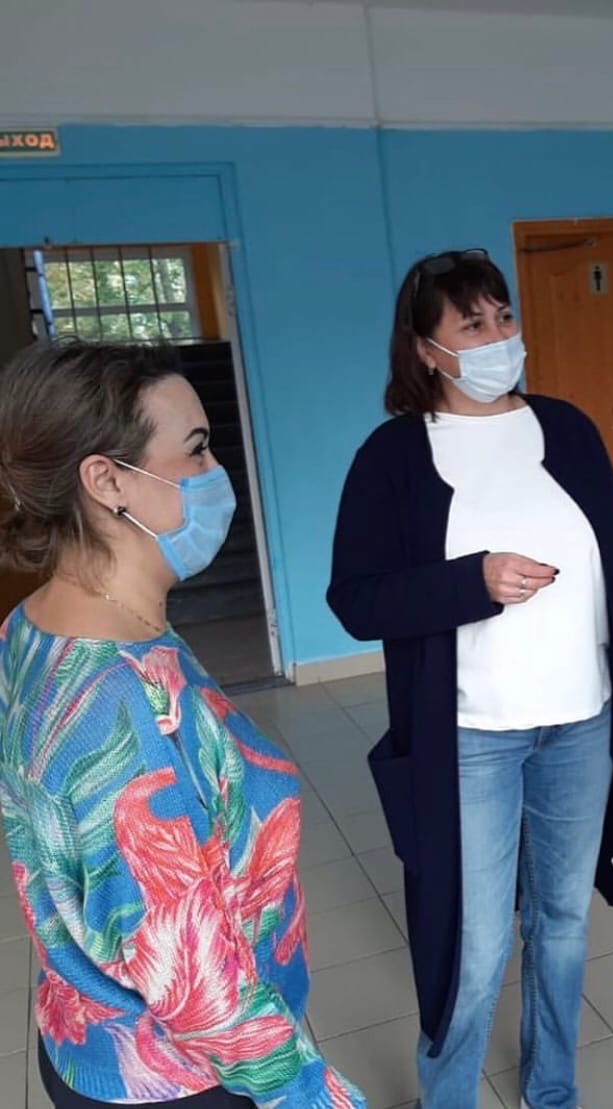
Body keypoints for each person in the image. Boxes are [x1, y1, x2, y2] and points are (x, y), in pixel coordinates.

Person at [327, 248, 613, 1109]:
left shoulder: (568, 428)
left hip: (580, 721)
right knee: (474, 943)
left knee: (562, 921)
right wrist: (469, 582)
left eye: (503, 316)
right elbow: (356, 599)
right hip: (471, 736)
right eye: (471, 324)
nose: (497, 337)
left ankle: (551, 1088)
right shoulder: (394, 455)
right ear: (426, 349)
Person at [0, 341, 365, 1108]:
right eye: (195, 449)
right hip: (180, 1077)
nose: (214, 471)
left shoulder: (34, 626)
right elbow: (198, 990)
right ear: (106, 480)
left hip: (85, 1030)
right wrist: (313, 1092)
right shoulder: (117, 701)